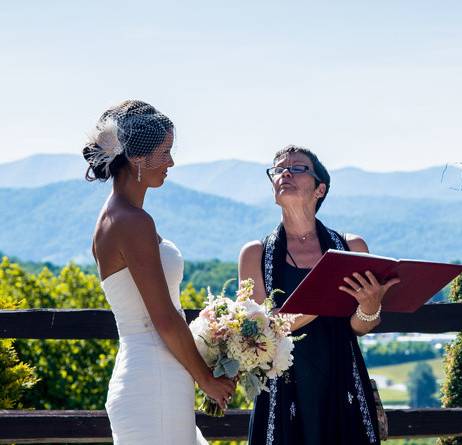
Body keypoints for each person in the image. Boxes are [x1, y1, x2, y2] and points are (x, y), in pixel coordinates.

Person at [84, 100, 235, 444]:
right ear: (137, 157)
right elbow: (164, 317)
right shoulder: (132, 222)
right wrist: (207, 380)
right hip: (154, 383)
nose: (171, 162)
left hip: (155, 378)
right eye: (164, 152)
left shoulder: (116, 217)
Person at [238, 145, 399, 445]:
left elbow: (360, 327)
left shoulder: (352, 248)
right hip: (283, 389)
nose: (285, 173)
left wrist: (370, 305)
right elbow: (257, 333)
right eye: (277, 169)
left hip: (341, 381)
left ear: (320, 189)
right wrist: (322, 298)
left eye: (297, 168)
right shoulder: (255, 254)